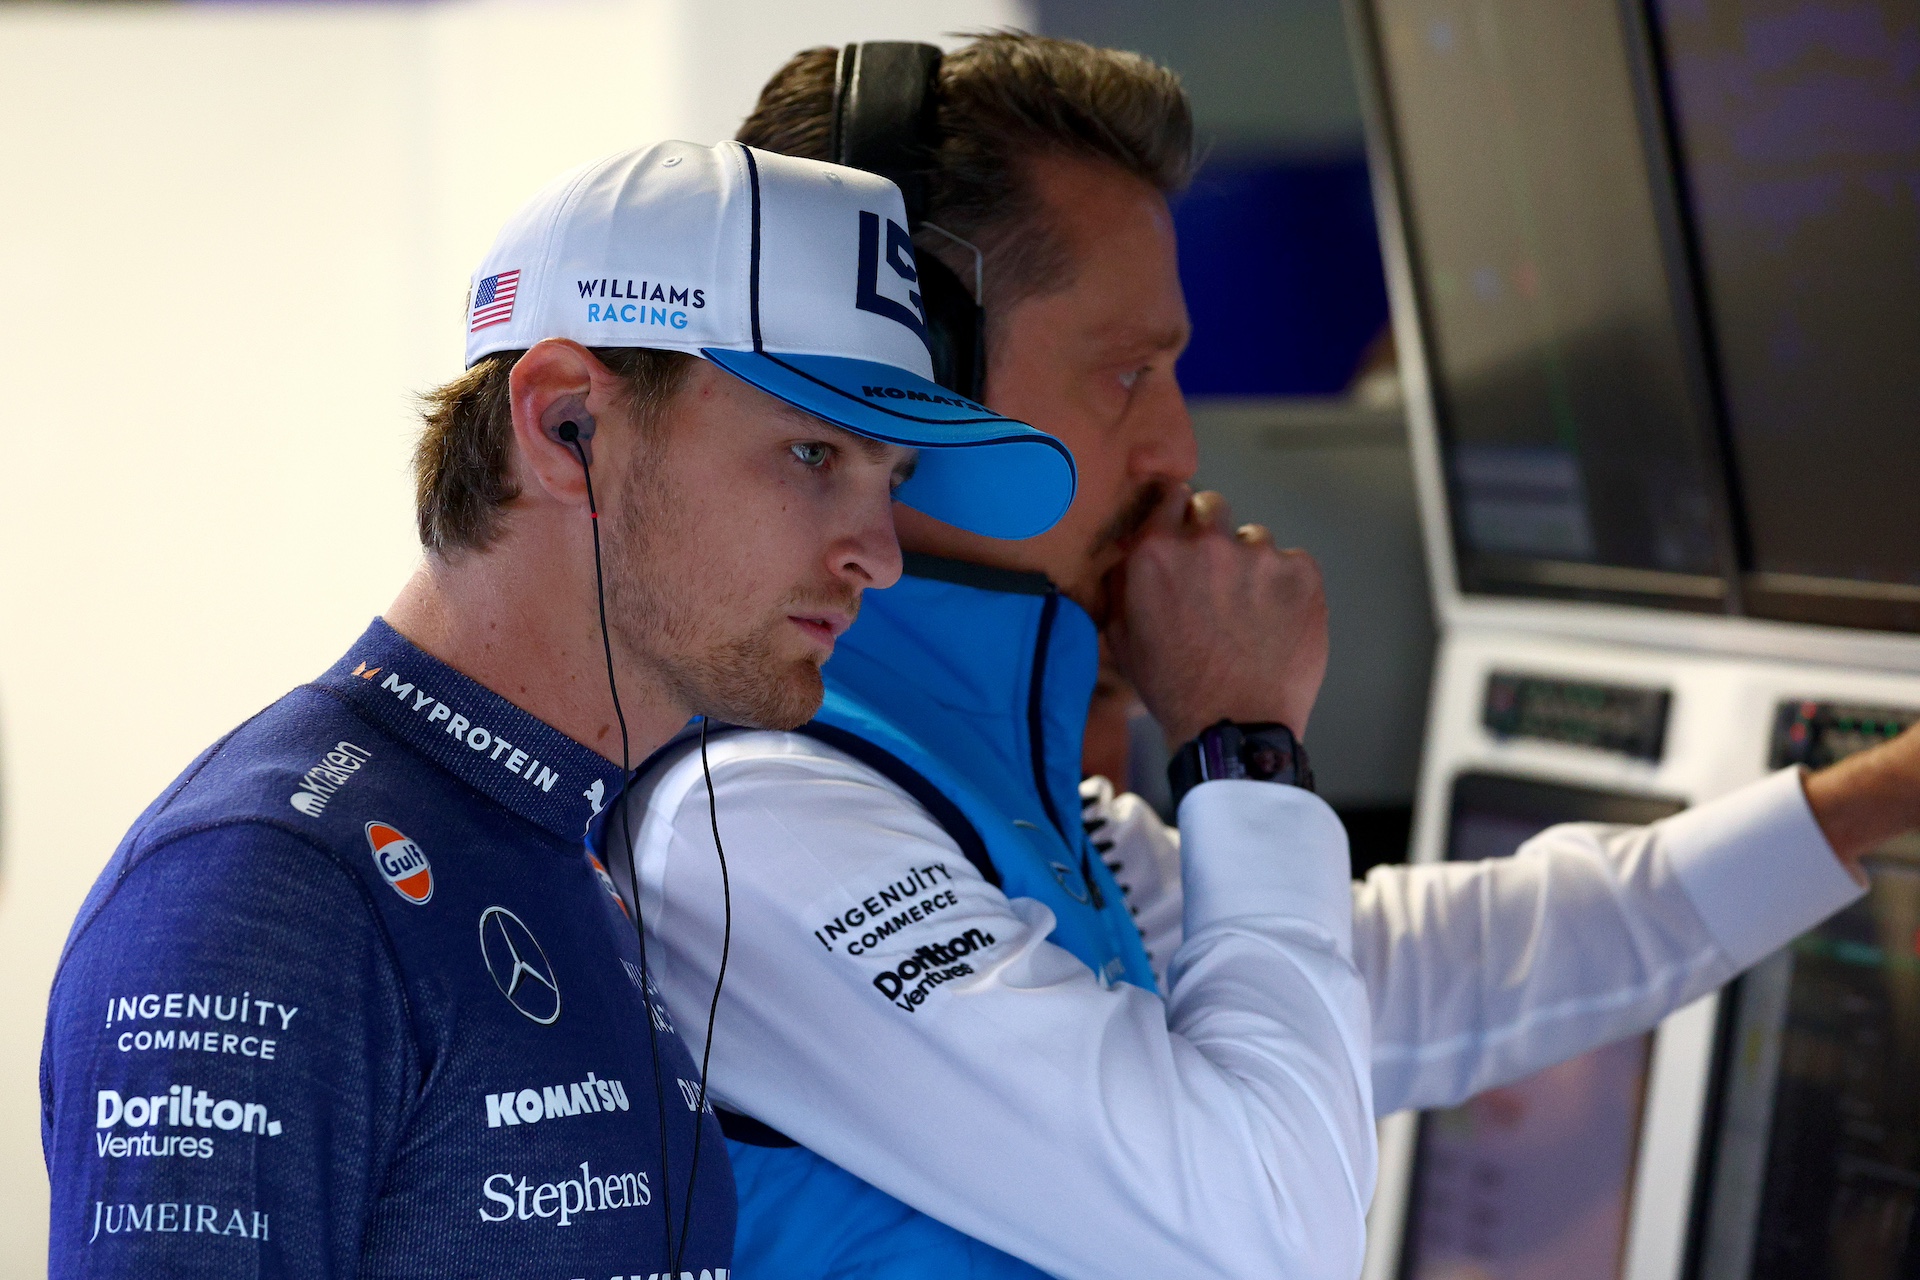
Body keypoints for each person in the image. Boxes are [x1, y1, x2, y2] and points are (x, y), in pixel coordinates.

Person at [618, 34, 1920, 1280]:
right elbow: (1260, 1236)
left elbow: (1414, 983)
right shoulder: (759, 817)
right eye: (1128, 375)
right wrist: (1243, 746)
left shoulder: (966, 786)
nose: (1178, 450)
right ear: (907, 376)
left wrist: (1878, 795)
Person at [40, 138, 1080, 1278]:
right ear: (563, 427)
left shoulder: (559, 835)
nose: (878, 557)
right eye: (812, 451)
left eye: (895, 479)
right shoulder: (266, 883)